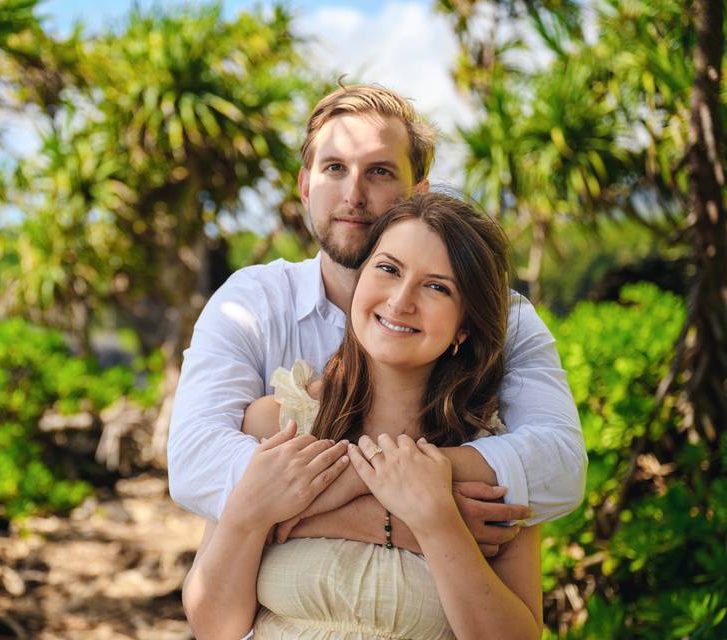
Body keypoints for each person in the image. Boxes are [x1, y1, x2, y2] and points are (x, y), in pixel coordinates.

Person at [168, 84, 586, 553]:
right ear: (305, 185)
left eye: (380, 172)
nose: (354, 194)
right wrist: (390, 517)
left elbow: (562, 468)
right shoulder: (251, 303)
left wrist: (303, 505)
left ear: (417, 193)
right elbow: (194, 464)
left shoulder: (500, 315)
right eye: (334, 168)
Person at [183, 194, 542, 639]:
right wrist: (249, 515)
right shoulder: (278, 424)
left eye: (437, 287)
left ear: (463, 328)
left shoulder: (493, 459)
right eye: (389, 269)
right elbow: (213, 624)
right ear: (360, 281)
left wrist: (437, 524)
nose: (401, 301)